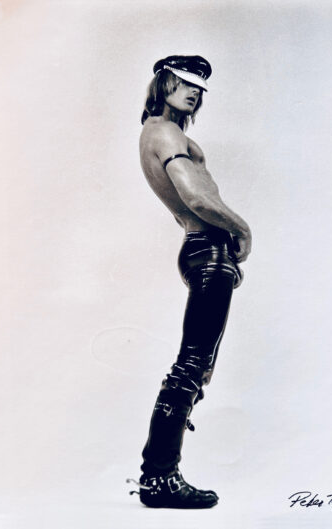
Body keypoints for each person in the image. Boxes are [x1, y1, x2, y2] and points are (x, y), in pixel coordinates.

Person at [127, 55, 252, 509]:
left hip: (204, 252)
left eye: (200, 86)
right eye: (184, 82)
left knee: (197, 368)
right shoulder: (164, 132)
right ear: (164, 84)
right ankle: (158, 477)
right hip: (207, 251)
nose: (195, 90)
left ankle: (159, 475)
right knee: (191, 367)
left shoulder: (161, 133)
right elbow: (196, 198)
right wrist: (242, 230)